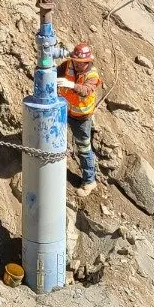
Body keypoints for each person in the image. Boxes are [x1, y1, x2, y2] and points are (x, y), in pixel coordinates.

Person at [56, 42, 103, 195]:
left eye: (80, 62)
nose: (76, 64)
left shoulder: (92, 75)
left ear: (87, 61)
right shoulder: (69, 64)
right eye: (75, 61)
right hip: (64, 110)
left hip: (81, 117)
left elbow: (86, 90)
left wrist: (70, 85)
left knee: (83, 148)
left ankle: (89, 181)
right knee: (57, 138)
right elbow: (56, 72)